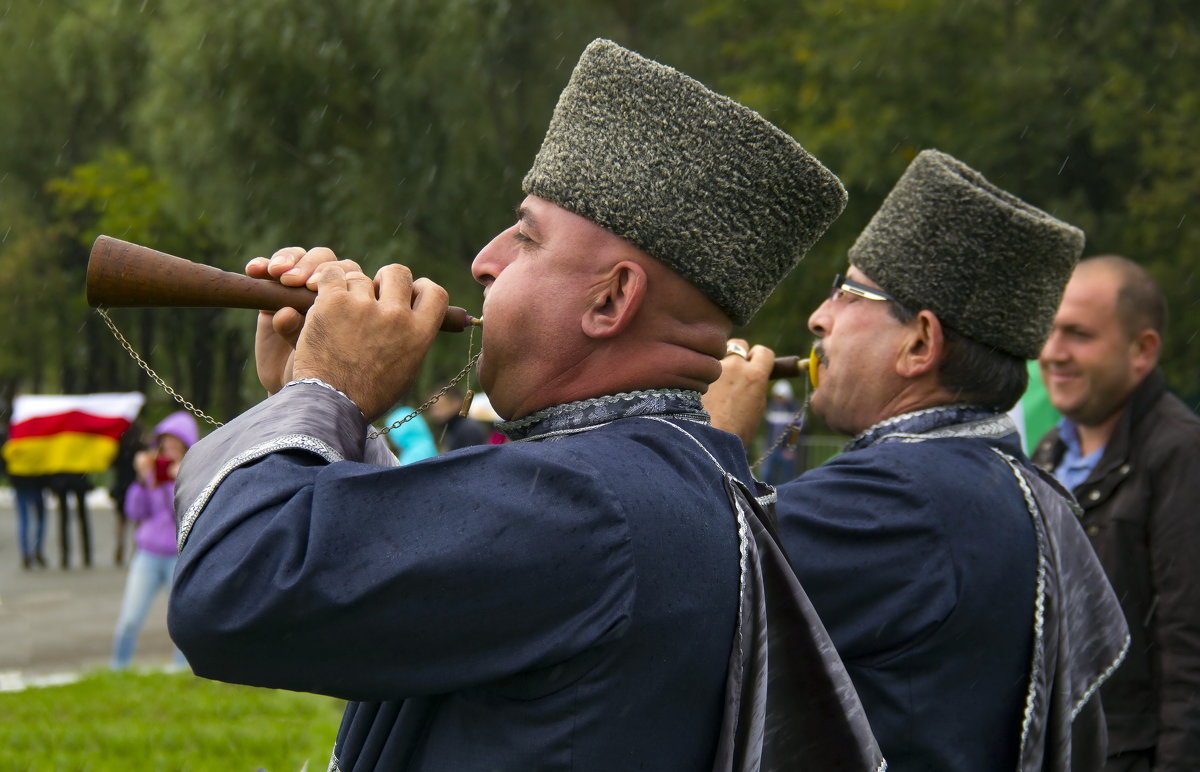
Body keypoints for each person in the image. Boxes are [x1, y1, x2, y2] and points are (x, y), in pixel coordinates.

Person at [167, 39, 883, 771]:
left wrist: (328, 391)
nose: (484, 260)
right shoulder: (655, 476)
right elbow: (380, 591)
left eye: (526, 238)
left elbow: (236, 592)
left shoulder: (588, 498)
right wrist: (308, 400)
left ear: (612, 299)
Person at [705, 149, 1129, 771]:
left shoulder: (903, 497)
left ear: (921, 343)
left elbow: (686, 595)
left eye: (848, 293)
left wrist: (709, 440)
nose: (817, 318)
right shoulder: (1005, 482)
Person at [1033, 255, 1200, 771]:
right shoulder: (1047, 454)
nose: (1054, 353)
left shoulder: (1181, 455)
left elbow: (1189, 646)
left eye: (1079, 334)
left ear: (1142, 350)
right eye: (1050, 330)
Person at [111, 410, 198, 669]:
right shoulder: (151, 471)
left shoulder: (193, 473)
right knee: (129, 619)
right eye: (165, 441)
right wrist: (141, 480)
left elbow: (185, 516)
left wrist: (178, 481)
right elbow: (134, 512)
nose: (168, 447)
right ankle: (118, 670)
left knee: (181, 621)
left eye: (175, 442)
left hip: (178, 557)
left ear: (186, 444)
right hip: (147, 554)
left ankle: (182, 671)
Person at [109, 420, 146, 565]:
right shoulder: (141, 447)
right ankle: (137, 548)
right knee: (138, 520)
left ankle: (120, 544)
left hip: (121, 486)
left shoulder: (119, 446)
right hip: (137, 486)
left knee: (121, 520)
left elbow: (111, 464)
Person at [46, 472, 92, 569]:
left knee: (63, 519)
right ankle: (87, 554)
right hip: (78, 474)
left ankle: (65, 556)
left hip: (62, 475)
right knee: (82, 517)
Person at [760, 379, 802, 485]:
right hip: (772, 448)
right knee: (767, 475)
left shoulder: (795, 408)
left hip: (786, 450)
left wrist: (791, 449)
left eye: (781, 397)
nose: (778, 399)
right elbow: (769, 429)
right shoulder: (773, 406)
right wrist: (766, 446)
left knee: (786, 477)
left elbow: (795, 431)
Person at [426, 386, 489, 451]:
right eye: (432, 409)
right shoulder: (452, 429)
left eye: (438, 408)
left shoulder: (467, 429)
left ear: (455, 403)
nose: (434, 414)